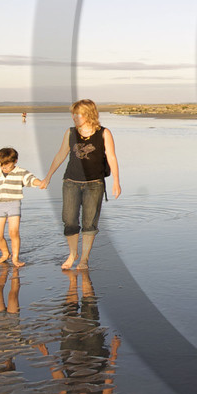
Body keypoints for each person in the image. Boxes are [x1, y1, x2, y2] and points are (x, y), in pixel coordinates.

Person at [42, 98, 121, 271]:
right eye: (73, 113)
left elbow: (111, 157)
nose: (74, 116)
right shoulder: (70, 133)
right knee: (69, 220)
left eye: (78, 113)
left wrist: (116, 181)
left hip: (94, 184)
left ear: (88, 114)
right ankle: (73, 254)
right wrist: (48, 177)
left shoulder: (104, 133)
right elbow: (61, 154)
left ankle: (84, 259)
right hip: (71, 182)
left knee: (89, 223)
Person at [0, 147, 45, 266]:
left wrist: (40, 183)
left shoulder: (20, 172)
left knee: (13, 232)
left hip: (14, 204)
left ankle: (15, 258)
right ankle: (5, 254)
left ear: (15, 161)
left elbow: (31, 180)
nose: (3, 168)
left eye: (6, 165)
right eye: (1, 165)